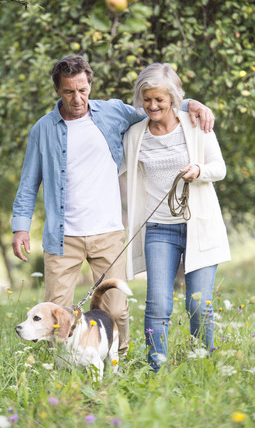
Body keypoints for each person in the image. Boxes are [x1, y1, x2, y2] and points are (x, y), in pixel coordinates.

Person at [11, 55, 214, 359]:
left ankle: (117, 359)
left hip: (107, 232)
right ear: (57, 91)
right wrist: (20, 227)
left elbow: (156, 103)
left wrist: (192, 104)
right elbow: (28, 183)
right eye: (69, 91)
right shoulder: (43, 130)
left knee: (117, 308)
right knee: (56, 312)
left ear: (90, 84)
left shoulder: (112, 112)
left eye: (83, 89)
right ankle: (56, 368)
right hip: (62, 236)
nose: (77, 98)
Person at [122, 62, 231, 370]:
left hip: (198, 226)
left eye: (160, 99)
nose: (153, 106)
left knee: (197, 304)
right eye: (147, 99)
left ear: (173, 98)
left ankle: (202, 367)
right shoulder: (134, 134)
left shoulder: (195, 124)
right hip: (158, 229)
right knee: (157, 303)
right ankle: (156, 369)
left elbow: (219, 168)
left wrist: (198, 171)